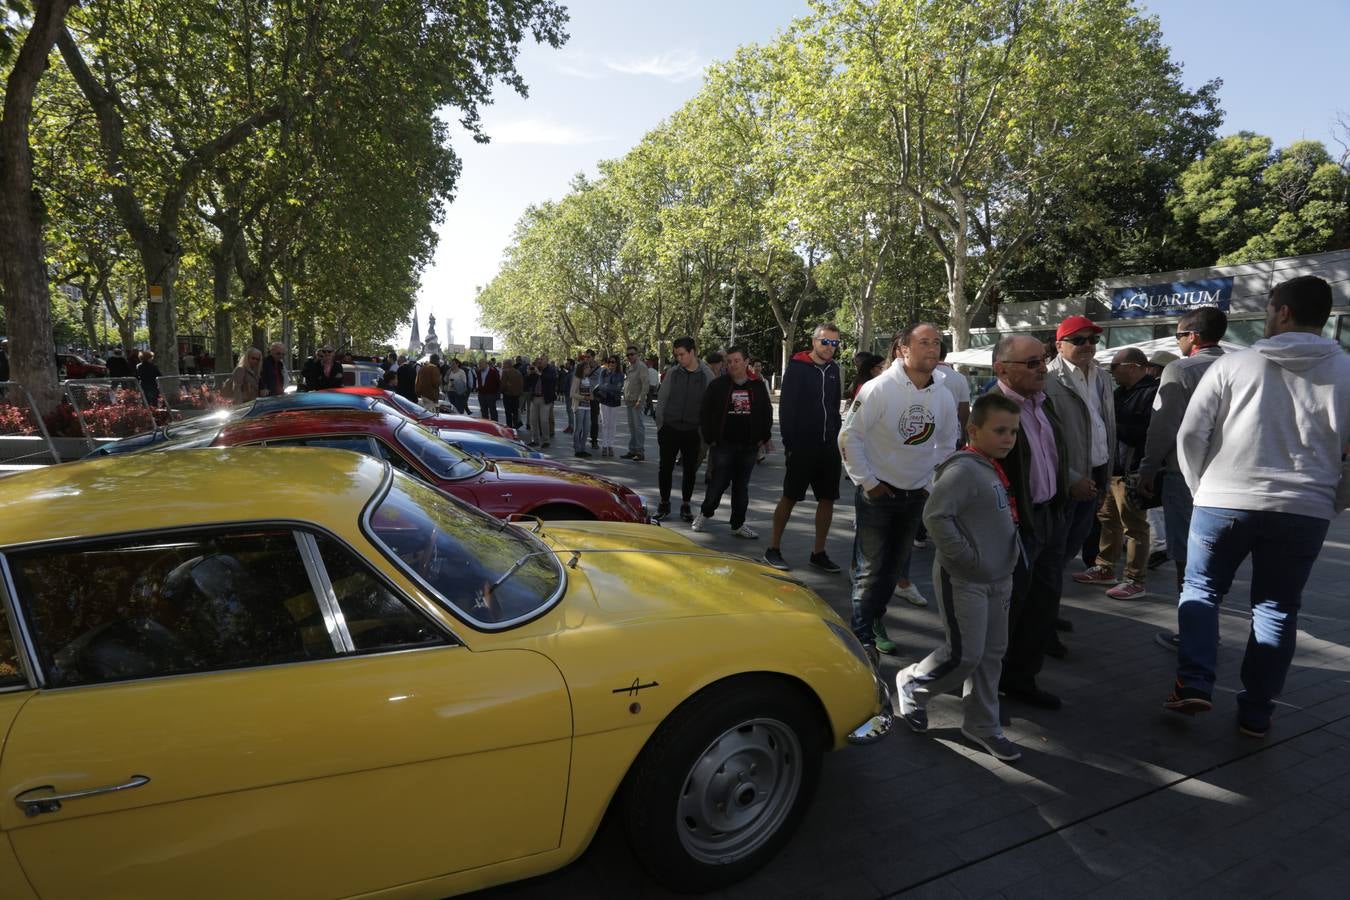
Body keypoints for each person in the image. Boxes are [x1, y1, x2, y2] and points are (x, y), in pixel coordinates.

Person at [1164, 275, 1350, 738]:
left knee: (1202, 590)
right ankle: (1257, 711)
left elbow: (1190, 435)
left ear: (1282, 311)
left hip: (1224, 498)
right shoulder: (1346, 372)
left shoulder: (1234, 365)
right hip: (1305, 507)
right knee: (1276, 609)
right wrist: (1333, 503)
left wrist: (1198, 486)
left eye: (1268, 310)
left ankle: (1196, 681)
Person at [896, 393, 1026, 761]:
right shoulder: (964, 470)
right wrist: (966, 559)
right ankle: (913, 684)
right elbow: (935, 516)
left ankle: (983, 723)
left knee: (992, 654)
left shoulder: (991, 467)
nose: (1008, 438)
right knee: (965, 654)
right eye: (999, 430)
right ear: (974, 430)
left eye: (1013, 432)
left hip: (999, 577)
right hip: (965, 578)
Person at [839, 323, 959, 662]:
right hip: (879, 496)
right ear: (903, 349)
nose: (932, 348)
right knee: (869, 570)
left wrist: (929, 484)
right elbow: (849, 437)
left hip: (916, 496)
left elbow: (948, 444)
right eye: (923, 342)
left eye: (936, 342)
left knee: (893, 571)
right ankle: (861, 640)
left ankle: (874, 622)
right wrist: (869, 483)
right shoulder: (878, 389)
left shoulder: (944, 394)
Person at [1138, 307, 1229, 649]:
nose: (1176, 342)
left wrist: (1147, 469)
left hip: (1186, 478)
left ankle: (1194, 633)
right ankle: (1208, 626)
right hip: (1232, 482)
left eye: (1177, 335)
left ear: (1192, 336)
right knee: (1215, 559)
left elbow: (1163, 428)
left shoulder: (1180, 369)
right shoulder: (1245, 365)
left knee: (1187, 560)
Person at [992, 335, 1071, 711]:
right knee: (1009, 609)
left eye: (1043, 360)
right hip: (1017, 525)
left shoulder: (1044, 402)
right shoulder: (992, 410)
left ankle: (1022, 679)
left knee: (1043, 605)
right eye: (1032, 363)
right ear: (1001, 369)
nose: (1042, 368)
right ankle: (987, 686)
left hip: (1051, 517)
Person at [1044, 314, 1114, 643]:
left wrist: (1106, 471)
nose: (1088, 346)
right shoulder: (1047, 379)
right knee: (1052, 553)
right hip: (1065, 481)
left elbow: (1103, 427)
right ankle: (1040, 620)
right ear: (1059, 345)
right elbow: (1044, 440)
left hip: (1096, 475)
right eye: (1079, 340)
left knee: (1068, 550)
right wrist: (1071, 477)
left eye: (1092, 340)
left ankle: (1048, 610)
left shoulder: (1101, 376)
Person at [1073, 347, 1158, 599]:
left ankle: (1134, 578)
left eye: (1115, 368)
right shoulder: (1120, 393)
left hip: (1132, 469)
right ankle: (1105, 566)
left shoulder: (1151, 393)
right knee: (1107, 519)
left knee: (1134, 525)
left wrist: (1108, 425)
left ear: (1133, 367)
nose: (1112, 373)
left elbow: (1145, 432)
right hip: (1113, 467)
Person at [764, 323, 844, 573]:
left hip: (828, 446)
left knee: (828, 499)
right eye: (825, 342)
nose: (829, 347)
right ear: (814, 341)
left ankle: (818, 553)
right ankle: (773, 548)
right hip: (801, 446)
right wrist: (790, 445)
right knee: (790, 497)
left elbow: (833, 408)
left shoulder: (834, 370)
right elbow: (787, 410)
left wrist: (836, 438)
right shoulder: (797, 369)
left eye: (834, 343)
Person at [692, 346, 773, 538]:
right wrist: (710, 438)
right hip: (723, 445)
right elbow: (705, 413)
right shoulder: (718, 385)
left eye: (737, 361)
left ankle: (738, 524)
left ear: (746, 362)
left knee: (741, 487)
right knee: (717, 483)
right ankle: (705, 513)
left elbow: (766, 412)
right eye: (729, 361)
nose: (733, 365)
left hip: (749, 447)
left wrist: (764, 436)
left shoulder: (757, 385)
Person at [654, 337, 714, 522]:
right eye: (676, 355)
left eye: (682, 354)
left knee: (690, 470)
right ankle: (664, 503)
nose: (679, 358)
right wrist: (661, 426)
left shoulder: (707, 375)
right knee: (665, 468)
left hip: (692, 431)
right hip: (670, 428)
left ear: (692, 351)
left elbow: (710, 407)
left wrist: (704, 434)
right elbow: (662, 400)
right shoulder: (673, 373)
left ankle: (686, 505)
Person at [621, 346, 648, 460]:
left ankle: (640, 452)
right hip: (629, 401)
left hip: (637, 401)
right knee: (632, 427)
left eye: (632, 354)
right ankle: (633, 450)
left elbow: (645, 384)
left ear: (637, 354)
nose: (630, 357)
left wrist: (640, 400)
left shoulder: (641, 366)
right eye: (628, 355)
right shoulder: (630, 366)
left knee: (638, 427)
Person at [525, 355, 557, 448]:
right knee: (533, 420)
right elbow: (527, 383)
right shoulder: (535, 369)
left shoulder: (551, 370)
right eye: (539, 359)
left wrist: (539, 373)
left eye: (542, 360)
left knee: (544, 420)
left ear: (547, 361)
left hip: (545, 399)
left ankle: (546, 440)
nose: (540, 361)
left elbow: (551, 380)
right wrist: (529, 374)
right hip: (534, 398)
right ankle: (535, 440)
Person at [596, 355, 625, 457]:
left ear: (617, 363)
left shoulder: (621, 375)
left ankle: (610, 446)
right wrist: (610, 387)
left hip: (615, 401)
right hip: (604, 400)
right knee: (605, 424)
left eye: (613, 362)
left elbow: (619, 388)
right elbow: (600, 385)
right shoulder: (603, 372)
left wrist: (607, 386)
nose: (611, 364)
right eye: (610, 362)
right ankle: (604, 445)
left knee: (612, 424)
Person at [570, 359, 596, 458]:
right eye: (587, 368)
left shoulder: (587, 379)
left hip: (587, 407)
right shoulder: (577, 379)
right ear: (583, 369)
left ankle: (583, 448)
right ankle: (577, 449)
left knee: (586, 429)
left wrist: (591, 395)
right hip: (579, 406)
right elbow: (572, 394)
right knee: (579, 428)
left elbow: (590, 391)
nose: (589, 369)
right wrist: (584, 397)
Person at [501, 358, 524, 429]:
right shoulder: (518, 372)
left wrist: (501, 391)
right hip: (516, 396)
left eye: (504, 364)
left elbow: (503, 384)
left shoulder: (505, 372)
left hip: (508, 395)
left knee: (508, 413)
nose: (503, 365)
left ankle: (509, 428)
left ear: (508, 364)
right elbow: (521, 384)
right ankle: (515, 426)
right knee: (515, 412)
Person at [559, 359, 575, 433]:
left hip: (569, 395)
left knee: (570, 410)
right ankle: (570, 426)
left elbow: (572, 385)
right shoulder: (569, 373)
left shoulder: (572, 373)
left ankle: (571, 427)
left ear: (571, 365)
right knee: (569, 410)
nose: (565, 365)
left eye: (567, 364)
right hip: (567, 394)